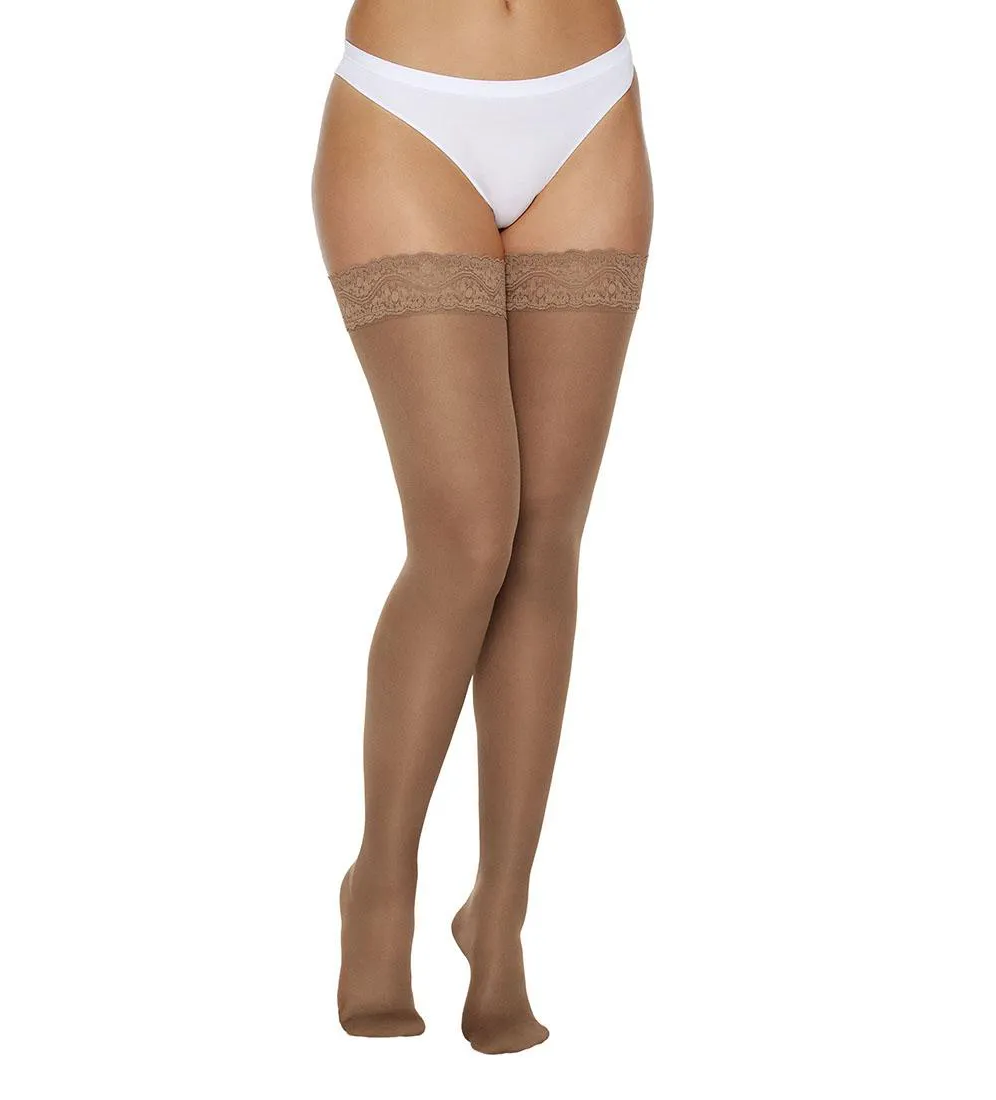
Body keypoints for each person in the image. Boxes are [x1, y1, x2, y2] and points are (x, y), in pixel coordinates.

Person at [312, 0, 653, 1055]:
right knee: (466, 538)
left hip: (589, 101)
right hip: (407, 108)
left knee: (546, 535)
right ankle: (380, 883)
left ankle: (498, 917)